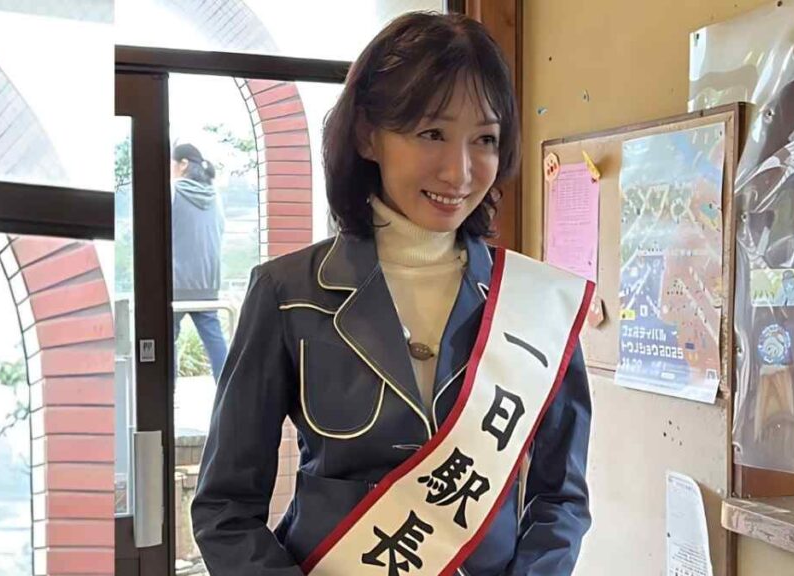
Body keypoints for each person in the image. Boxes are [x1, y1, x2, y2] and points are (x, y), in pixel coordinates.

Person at [192, 12, 592, 576]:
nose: (459, 171)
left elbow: (560, 499)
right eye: (432, 133)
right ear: (367, 136)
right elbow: (225, 509)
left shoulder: (535, 303)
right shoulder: (286, 293)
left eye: (485, 139)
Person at [171, 143, 228, 381]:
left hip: (175, 283)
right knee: (215, 341)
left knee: (166, 340)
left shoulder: (173, 192)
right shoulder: (216, 197)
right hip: (207, 283)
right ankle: (228, 395)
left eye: (172, 163)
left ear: (183, 164)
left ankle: (167, 397)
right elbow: (220, 231)